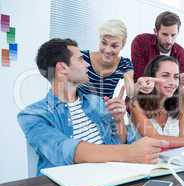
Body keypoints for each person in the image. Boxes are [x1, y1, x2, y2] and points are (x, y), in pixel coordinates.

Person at [17, 38, 169, 175]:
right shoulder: (33, 115)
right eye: (81, 60)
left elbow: (117, 143)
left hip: (110, 178)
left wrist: (118, 121)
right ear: (62, 68)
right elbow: (65, 150)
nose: (87, 64)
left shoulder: (96, 102)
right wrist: (129, 152)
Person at [129, 55, 184, 148]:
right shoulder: (136, 104)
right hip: (144, 161)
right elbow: (154, 138)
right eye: (165, 75)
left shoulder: (181, 103)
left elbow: (183, 141)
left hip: (173, 161)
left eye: (176, 77)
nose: (172, 82)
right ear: (152, 77)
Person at [131, 11, 184, 92]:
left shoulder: (181, 53)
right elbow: (139, 79)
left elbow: (180, 89)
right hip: (141, 98)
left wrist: (182, 85)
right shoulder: (141, 42)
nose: (169, 40)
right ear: (155, 31)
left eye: (173, 35)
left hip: (166, 101)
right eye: (165, 34)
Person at [79, 19, 134, 98]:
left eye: (114, 46)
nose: (107, 50)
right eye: (104, 43)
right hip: (78, 108)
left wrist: (140, 85)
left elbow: (130, 93)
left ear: (122, 46)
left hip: (104, 109)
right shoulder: (83, 57)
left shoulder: (124, 64)